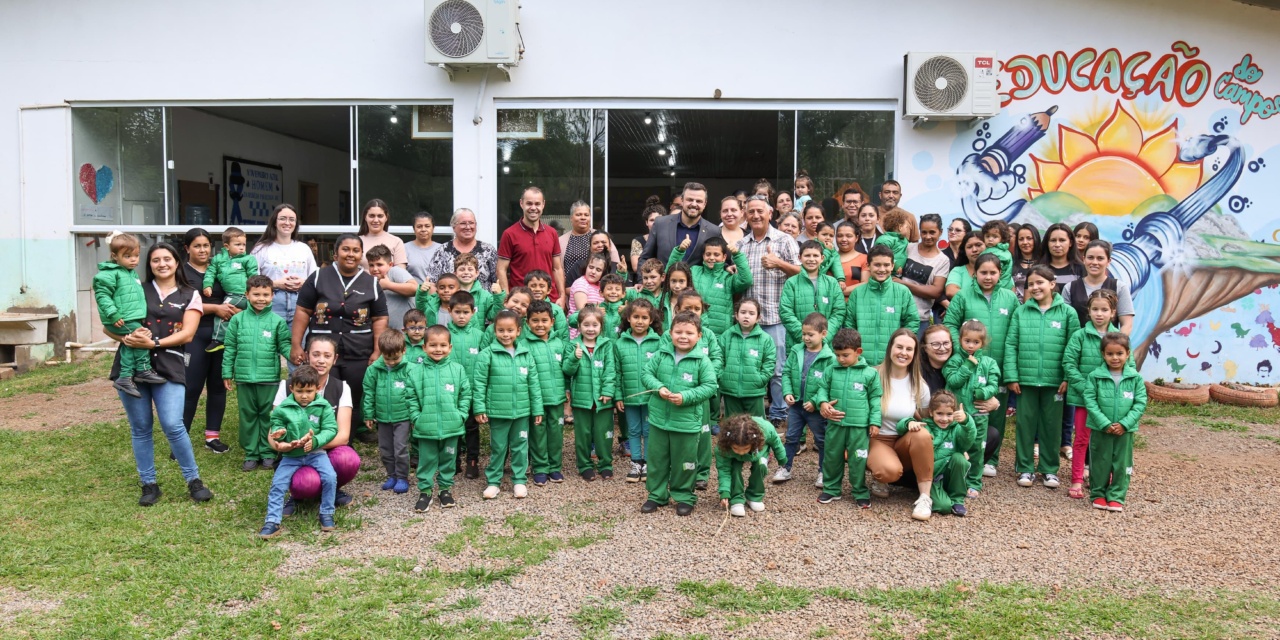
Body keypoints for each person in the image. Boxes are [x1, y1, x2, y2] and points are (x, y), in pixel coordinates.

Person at [107, 241, 214, 507]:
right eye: (155, 260)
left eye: (167, 259)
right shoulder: (135, 288)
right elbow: (109, 325)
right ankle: (149, 484)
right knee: (141, 427)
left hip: (170, 367)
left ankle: (194, 481)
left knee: (173, 424)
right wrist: (126, 338)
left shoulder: (191, 294)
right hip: (131, 367)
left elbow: (187, 334)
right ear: (149, 264)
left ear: (177, 262)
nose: (162, 264)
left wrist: (153, 343)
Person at [292, 234, 389, 443]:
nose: (350, 254)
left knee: (352, 398)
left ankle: (345, 443)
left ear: (361, 255)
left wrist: (377, 350)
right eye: (346, 249)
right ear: (335, 253)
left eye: (356, 250)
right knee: (321, 394)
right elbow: (303, 310)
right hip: (323, 352)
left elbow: (380, 318)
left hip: (358, 351)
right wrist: (296, 345)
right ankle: (317, 440)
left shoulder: (371, 283)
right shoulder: (318, 276)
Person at [1005, 265, 1081, 490]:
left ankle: (1050, 469)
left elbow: (1074, 348)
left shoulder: (1068, 313)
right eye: (1031, 284)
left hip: (1054, 383)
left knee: (1051, 426)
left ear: (1052, 284)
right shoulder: (1020, 312)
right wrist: (1012, 376)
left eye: (1040, 282)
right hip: (1026, 381)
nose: (1035, 287)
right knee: (1025, 425)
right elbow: (1011, 344)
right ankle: (1025, 467)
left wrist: (1067, 377)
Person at [944, 254, 1019, 477]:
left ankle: (990, 458)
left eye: (992, 272)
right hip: (967, 365)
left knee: (994, 410)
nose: (988, 277)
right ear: (974, 273)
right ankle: (960, 454)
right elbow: (950, 324)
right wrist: (962, 353)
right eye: (983, 272)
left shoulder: (1010, 298)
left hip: (998, 364)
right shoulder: (963, 296)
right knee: (967, 410)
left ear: (1000, 274)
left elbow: (1015, 332)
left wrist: (1010, 366)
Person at [640, 311, 719, 516]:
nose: (683, 336)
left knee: (685, 462)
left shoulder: (702, 360)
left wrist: (686, 396)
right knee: (657, 460)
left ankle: (684, 495)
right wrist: (659, 388)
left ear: (699, 336)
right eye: (678, 332)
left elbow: (710, 386)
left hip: (686, 423)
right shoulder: (661, 355)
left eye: (689, 333)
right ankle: (657, 495)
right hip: (659, 420)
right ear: (670, 333)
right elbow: (646, 374)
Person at [274, 334, 360, 513]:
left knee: (348, 459)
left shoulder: (342, 388)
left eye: (327, 356)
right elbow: (273, 430)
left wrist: (312, 443)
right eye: (316, 354)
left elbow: (343, 436)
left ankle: (332, 488)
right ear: (307, 356)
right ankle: (297, 494)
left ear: (335, 359)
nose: (321, 360)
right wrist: (280, 444)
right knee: (307, 484)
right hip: (294, 453)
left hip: (327, 450)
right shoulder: (286, 386)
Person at [738, 194, 801, 425]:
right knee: (749, 366)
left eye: (760, 211)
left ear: (770, 213)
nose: (756, 215)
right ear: (746, 215)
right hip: (748, 320)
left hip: (775, 316)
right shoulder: (741, 244)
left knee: (777, 369)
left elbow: (803, 272)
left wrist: (778, 263)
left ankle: (778, 413)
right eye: (751, 212)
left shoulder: (784, 240)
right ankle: (752, 414)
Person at [257, 365, 339, 539]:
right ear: (291, 388)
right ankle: (272, 521)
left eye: (309, 391)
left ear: (317, 388)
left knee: (330, 477)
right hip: (291, 455)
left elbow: (331, 429)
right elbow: (276, 424)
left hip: (316, 453)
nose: (304, 396)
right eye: (299, 391)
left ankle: (326, 512)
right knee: (278, 484)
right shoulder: (282, 408)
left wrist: (315, 441)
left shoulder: (323, 406)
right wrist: (280, 434)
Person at [223, 274, 291, 470]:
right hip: (244, 379)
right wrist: (227, 372)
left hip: (269, 379)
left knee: (268, 415)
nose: (261, 299)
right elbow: (230, 348)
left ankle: (268, 451)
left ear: (272, 296)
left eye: (265, 295)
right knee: (248, 415)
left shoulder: (277, 322)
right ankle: (251, 453)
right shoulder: (237, 320)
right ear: (247, 295)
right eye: (256, 294)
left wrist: (295, 355)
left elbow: (284, 345)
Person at [867, 329, 935, 520]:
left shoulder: (919, 384)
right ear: (890, 348)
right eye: (899, 347)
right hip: (876, 438)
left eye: (909, 349)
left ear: (915, 353)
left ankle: (925, 497)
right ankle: (880, 475)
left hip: (903, 440)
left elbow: (927, 418)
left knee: (922, 434)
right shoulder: (872, 375)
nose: (903, 353)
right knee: (889, 471)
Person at [475, 309, 543, 499]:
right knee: (498, 448)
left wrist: (537, 409)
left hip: (522, 412)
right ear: (494, 331)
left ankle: (519, 480)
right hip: (498, 412)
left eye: (510, 330)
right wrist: (479, 407)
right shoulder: (487, 354)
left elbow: (534, 384)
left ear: (518, 331)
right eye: (501, 330)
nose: (506, 334)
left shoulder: (526, 354)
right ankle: (493, 482)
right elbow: (479, 383)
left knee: (520, 446)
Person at [814, 327, 883, 508]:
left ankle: (860, 491)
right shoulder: (831, 370)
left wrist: (875, 422)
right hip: (835, 424)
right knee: (831, 457)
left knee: (858, 459)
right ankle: (831, 489)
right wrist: (823, 403)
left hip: (859, 427)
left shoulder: (870, 373)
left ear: (858, 351)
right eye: (837, 355)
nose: (840, 359)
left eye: (845, 355)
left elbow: (875, 399)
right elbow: (822, 389)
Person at [1063, 289, 1121, 499]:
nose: (1099, 314)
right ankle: (1077, 480)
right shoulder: (1079, 336)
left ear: (1112, 312)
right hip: (1083, 399)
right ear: (1088, 311)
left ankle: (1104, 478)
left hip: (1109, 401)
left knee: (1106, 440)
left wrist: (1111, 392)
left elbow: (1128, 367)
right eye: (1095, 309)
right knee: (1081, 440)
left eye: (1104, 310)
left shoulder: (1119, 338)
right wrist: (1086, 389)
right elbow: (1069, 364)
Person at [407, 325, 471, 512]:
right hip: (425, 428)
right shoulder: (416, 372)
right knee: (426, 461)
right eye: (433, 345)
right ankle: (425, 491)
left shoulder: (458, 370)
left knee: (448, 459)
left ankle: (445, 489)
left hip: (452, 427)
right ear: (424, 347)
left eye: (443, 345)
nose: (438, 349)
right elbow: (411, 397)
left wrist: (461, 415)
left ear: (450, 347)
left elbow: (465, 394)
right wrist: (416, 418)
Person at [182, 229, 235, 452]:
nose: (202, 250)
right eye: (197, 246)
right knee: (191, 388)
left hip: (221, 336)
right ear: (187, 248)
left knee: (217, 387)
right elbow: (180, 303)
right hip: (194, 335)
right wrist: (215, 308)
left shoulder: (220, 267)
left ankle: (212, 437)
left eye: (206, 245)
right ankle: (181, 440)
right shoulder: (181, 272)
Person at [1082, 332, 1147, 512]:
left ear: (1128, 353)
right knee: (1100, 462)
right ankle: (1098, 494)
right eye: (1110, 354)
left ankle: (1117, 496)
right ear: (1103, 354)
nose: (1115, 358)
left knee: (1121, 464)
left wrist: (1125, 424)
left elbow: (1140, 403)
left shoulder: (1135, 378)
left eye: (1119, 353)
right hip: (1100, 429)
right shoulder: (1095, 376)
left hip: (1124, 431)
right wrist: (1104, 423)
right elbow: (1090, 401)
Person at [95, 232, 166, 397]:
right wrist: (113, 314)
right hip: (120, 318)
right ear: (115, 256)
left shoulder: (129, 273)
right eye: (127, 256)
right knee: (141, 338)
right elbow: (102, 296)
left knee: (130, 343)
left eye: (136, 255)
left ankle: (126, 376)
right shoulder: (108, 274)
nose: (133, 260)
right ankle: (142, 369)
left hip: (129, 317)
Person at [775, 313, 835, 486]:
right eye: (804, 334)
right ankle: (785, 468)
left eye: (810, 334)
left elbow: (828, 384)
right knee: (791, 437)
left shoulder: (829, 358)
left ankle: (823, 472)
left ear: (823, 334)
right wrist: (787, 392)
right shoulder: (796, 350)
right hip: (796, 406)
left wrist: (816, 401)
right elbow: (786, 372)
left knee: (821, 440)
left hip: (815, 409)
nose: (806, 338)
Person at [943, 320, 1001, 497]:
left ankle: (974, 482)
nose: (971, 345)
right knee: (956, 446)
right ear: (960, 339)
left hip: (978, 414)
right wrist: (967, 366)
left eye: (976, 342)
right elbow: (953, 381)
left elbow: (994, 386)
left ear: (983, 343)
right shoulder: (954, 361)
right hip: (957, 414)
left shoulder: (989, 363)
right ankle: (953, 480)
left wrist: (982, 393)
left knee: (977, 449)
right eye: (967, 341)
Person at [564, 305, 618, 482]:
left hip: (603, 400)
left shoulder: (607, 345)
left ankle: (605, 464)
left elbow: (610, 370)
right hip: (582, 399)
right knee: (583, 435)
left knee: (604, 434)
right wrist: (574, 358)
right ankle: (585, 465)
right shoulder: (573, 345)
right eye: (586, 325)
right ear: (579, 326)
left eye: (595, 325)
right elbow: (567, 371)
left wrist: (608, 391)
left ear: (601, 326)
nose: (590, 329)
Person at [900, 391, 976, 516]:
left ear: (954, 413)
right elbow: (899, 427)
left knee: (959, 458)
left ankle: (957, 499)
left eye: (949, 414)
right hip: (933, 478)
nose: (944, 419)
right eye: (939, 413)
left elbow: (968, 440)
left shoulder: (957, 428)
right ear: (931, 412)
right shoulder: (925, 426)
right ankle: (934, 496)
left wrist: (967, 421)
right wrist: (908, 422)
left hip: (951, 474)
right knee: (943, 507)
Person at [843, 245, 919, 365]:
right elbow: (849, 324)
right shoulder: (857, 293)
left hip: (892, 361)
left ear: (892, 266)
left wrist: (900, 348)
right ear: (868, 266)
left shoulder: (902, 292)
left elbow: (912, 321)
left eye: (886, 265)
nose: (882, 269)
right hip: (862, 362)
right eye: (877, 265)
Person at [667, 236, 751, 339]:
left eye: (716, 254)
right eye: (708, 254)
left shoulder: (728, 277)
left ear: (724, 257)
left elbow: (746, 280)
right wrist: (680, 251)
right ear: (703, 255)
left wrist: (737, 255)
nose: (711, 258)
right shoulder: (694, 271)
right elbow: (671, 273)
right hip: (692, 332)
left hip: (720, 335)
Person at [615, 299, 662, 483]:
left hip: (651, 397)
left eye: (644, 318)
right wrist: (618, 395)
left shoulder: (658, 342)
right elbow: (617, 372)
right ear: (628, 318)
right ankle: (636, 463)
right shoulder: (620, 343)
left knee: (649, 430)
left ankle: (648, 462)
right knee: (633, 430)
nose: (640, 321)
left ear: (651, 320)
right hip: (630, 396)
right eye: (636, 317)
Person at [522, 300, 568, 486]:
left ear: (552, 321)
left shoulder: (559, 343)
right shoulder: (523, 345)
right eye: (535, 320)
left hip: (556, 398)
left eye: (544, 320)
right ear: (527, 322)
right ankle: (540, 467)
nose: (540, 325)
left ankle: (555, 467)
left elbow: (567, 370)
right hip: (536, 400)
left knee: (556, 434)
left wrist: (567, 391)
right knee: (538, 435)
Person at [252, 204, 317, 327]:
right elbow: (251, 281)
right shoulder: (261, 249)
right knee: (270, 339)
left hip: (301, 303)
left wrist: (303, 283)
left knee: (298, 339)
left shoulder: (304, 248)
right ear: (274, 222)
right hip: (271, 304)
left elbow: (315, 279)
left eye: (292, 219)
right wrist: (276, 284)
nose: (287, 223)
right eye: (282, 218)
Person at [498, 187, 566, 303]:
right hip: (521, 301)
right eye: (529, 203)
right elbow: (501, 269)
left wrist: (562, 295)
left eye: (537, 204)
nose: (533, 208)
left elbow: (557, 268)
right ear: (521, 203)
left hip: (549, 299)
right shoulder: (509, 234)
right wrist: (508, 298)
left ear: (543, 205)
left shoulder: (552, 233)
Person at [444, 291, 485, 479]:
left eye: (466, 312)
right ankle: (452, 460)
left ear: (473, 312)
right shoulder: (444, 334)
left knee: (471, 427)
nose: (461, 316)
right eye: (457, 312)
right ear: (449, 311)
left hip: (471, 391)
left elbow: (484, 364)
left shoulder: (479, 335)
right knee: (452, 427)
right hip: (450, 391)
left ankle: (472, 460)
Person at [781, 240, 846, 353]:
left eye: (815, 255)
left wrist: (824, 337)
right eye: (807, 255)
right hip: (798, 344)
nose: (811, 259)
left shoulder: (832, 283)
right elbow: (786, 312)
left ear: (822, 258)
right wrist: (805, 336)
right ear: (799, 257)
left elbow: (839, 312)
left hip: (826, 345)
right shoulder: (791, 283)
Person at [716, 414, 787, 517]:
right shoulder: (723, 447)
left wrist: (782, 458)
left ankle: (754, 495)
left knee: (761, 466)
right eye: (736, 448)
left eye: (745, 448)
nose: (741, 452)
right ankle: (736, 498)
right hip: (733, 457)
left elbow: (776, 442)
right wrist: (724, 492)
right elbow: (724, 470)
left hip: (758, 451)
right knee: (734, 469)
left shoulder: (766, 429)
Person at [200, 227, 258, 352]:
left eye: (243, 244)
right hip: (230, 294)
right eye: (238, 244)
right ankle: (237, 340)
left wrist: (253, 294)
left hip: (241, 294)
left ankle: (218, 340)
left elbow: (254, 277)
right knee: (233, 316)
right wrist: (207, 285)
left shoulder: (248, 259)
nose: (242, 247)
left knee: (223, 311)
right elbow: (210, 272)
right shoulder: (218, 259)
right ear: (226, 246)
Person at [639, 182, 722, 268]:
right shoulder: (660, 224)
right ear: (682, 200)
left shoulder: (714, 231)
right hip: (664, 277)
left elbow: (720, 262)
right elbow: (645, 259)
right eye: (690, 200)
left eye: (699, 201)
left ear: (704, 204)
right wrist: (643, 277)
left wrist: (727, 267)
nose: (694, 204)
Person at [1062, 240, 1135, 335]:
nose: (1094, 262)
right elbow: (1064, 323)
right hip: (1077, 343)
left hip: (1110, 343)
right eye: (1090, 258)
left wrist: (1116, 342)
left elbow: (1127, 325)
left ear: (1108, 261)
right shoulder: (1070, 288)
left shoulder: (1119, 287)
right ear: (1084, 259)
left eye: (1100, 258)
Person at [718, 298, 775, 418]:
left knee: (757, 425)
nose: (746, 316)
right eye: (743, 312)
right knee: (733, 424)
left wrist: (760, 380)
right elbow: (718, 358)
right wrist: (722, 377)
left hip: (754, 391)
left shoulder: (766, 339)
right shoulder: (727, 336)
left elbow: (769, 363)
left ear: (758, 317)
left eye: (751, 313)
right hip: (730, 390)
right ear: (736, 315)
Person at [900, 214, 950, 330]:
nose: (928, 236)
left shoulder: (943, 260)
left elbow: (935, 292)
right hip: (897, 313)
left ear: (940, 232)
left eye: (932, 232)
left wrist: (903, 284)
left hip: (920, 319)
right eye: (924, 232)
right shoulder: (908, 248)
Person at [561, 200, 622, 286]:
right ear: (571, 218)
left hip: (601, 288)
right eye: (579, 215)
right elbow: (558, 269)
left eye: (586, 215)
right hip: (572, 287)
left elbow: (615, 264)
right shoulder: (561, 241)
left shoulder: (600, 236)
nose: (583, 218)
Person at [441, 208, 498, 289]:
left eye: (471, 223)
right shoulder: (442, 251)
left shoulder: (488, 250)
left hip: (484, 297)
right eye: (463, 223)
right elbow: (433, 283)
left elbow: (497, 281)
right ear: (454, 227)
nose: (468, 227)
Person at [366, 245, 419, 330]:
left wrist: (388, 285)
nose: (375, 269)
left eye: (379, 264)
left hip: (405, 333)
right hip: (385, 333)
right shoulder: (371, 281)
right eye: (371, 265)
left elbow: (415, 288)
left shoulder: (394, 271)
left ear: (390, 264)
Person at [405, 211, 453, 285]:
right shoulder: (404, 248)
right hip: (413, 291)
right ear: (414, 229)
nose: (423, 229)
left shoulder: (443, 249)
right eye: (419, 226)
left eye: (427, 226)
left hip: (437, 291)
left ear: (433, 228)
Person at [358, 199, 407, 269]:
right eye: (371, 216)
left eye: (380, 216)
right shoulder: (357, 241)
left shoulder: (396, 242)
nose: (375, 220)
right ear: (365, 217)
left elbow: (401, 272)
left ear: (386, 217)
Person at [943, 231, 989, 301]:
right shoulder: (958, 271)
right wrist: (980, 301)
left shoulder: (999, 268)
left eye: (978, 245)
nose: (974, 250)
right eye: (969, 247)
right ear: (964, 252)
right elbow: (951, 291)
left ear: (988, 246)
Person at [1040, 222, 1085, 292]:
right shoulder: (1038, 269)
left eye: (1062, 240)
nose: (1057, 245)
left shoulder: (1081, 269)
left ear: (1070, 243)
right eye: (1053, 240)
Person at [569, 252, 609, 318]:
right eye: (591, 267)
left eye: (598, 270)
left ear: (603, 273)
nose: (593, 272)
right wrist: (597, 312)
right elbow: (583, 311)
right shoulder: (580, 283)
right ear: (586, 267)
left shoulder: (601, 285)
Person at [632, 200, 666, 274]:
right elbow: (636, 267)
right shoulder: (638, 241)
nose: (655, 223)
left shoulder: (669, 239)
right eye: (652, 220)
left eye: (658, 220)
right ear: (646, 222)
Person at [873, 210, 911, 275]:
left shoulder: (904, 240)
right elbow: (881, 254)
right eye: (907, 227)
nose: (908, 230)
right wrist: (895, 265)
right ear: (900, 227)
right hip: (886, 273)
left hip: (901, 275)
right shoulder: (885, 240)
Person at [835, 223, 868, 298]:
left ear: (856, 238)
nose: (844, 239)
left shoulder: (864, 259)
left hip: (855, 302)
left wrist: (836, 292)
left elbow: (865, 284)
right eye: (840, 236)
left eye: (849, 236)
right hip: (830, 303)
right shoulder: (828, 258)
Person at [980, 220, 1014, 291]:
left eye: (995, 237)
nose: (990, 239)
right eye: (987, 236)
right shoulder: (988, 250)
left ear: (1002, 238)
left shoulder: (1001, 253)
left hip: (1000, 287)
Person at [1012, 224, 1043, 300]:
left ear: (1036, 239)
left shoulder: (1044, 263)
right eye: (1021, 239)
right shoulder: (1011, 263)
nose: (1025, 242)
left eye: (1029, 238)